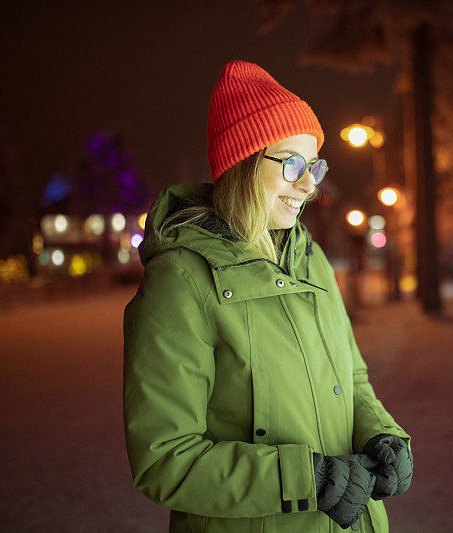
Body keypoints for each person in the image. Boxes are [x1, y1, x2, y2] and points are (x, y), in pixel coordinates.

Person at [122, 60, 413, 533]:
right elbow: (165, 459)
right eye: (291, 164)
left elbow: (352, 376)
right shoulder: (179, 281)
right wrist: (305, 479)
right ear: (242, 163)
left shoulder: (311, 259)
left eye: (314, 165)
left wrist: (380, 433)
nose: (309, 185)